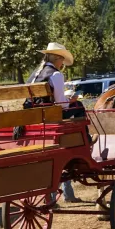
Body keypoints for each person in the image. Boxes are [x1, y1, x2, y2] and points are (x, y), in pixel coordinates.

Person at [24, 42, 85, 203]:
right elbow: (62, 105)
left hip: (34, 118)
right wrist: (71, 99)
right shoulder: (56, 74)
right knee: (79, 106)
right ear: (57, 58)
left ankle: (56, 195)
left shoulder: (34, 74)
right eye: (62, 60)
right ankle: (85, 139)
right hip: (50, 118)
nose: (63, 63)